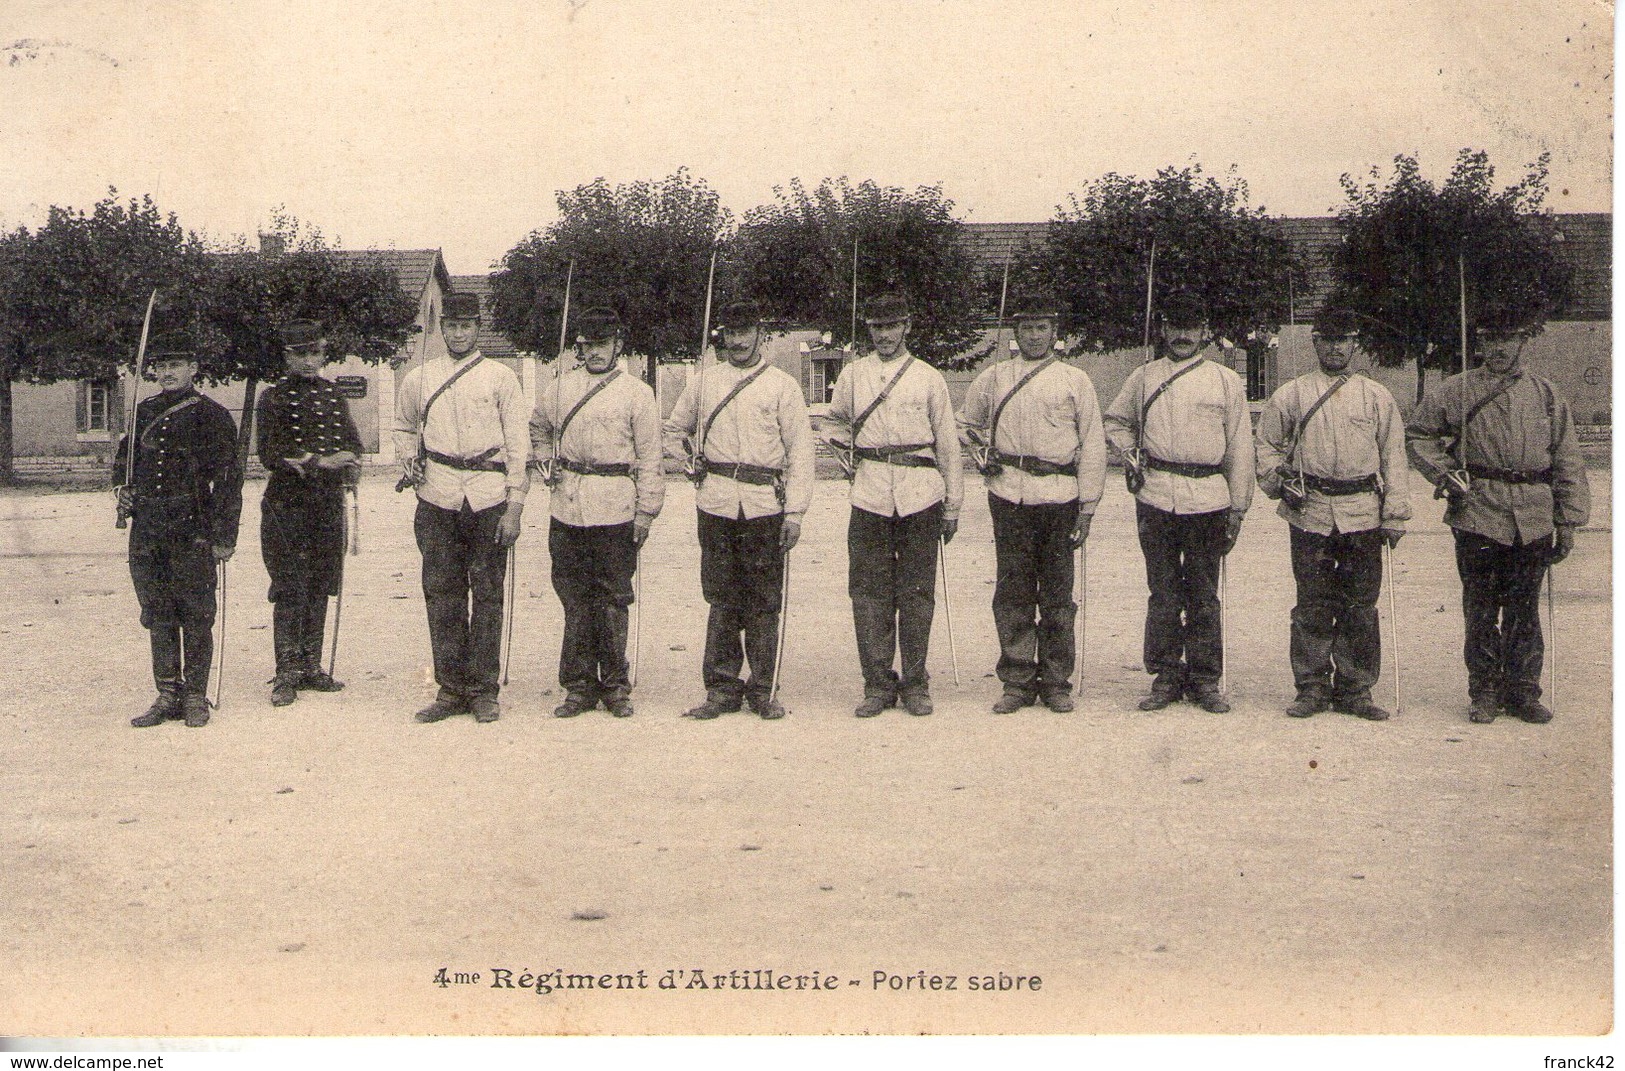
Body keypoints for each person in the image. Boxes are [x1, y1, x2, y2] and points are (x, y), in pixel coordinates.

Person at [1406, 323, 1590, 724]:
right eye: (1490, 339)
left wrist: (1569, 520)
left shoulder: (1545, 394)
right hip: (1479, 512)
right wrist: (1443, 474)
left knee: (1525, 609)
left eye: (1508, 338)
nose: (1499, 348)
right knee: (1482, 608)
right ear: (1479, 344)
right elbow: (1418, 436)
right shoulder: (1456, 390)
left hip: (1534, 515)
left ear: (1522, 342)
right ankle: (1485, 691)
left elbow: (1567, 459)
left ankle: (1524, 691)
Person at [1254, 307, 1410, 721]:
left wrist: (1395, 513)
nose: (1335, 347)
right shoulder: (1292, 394)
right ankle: (1311, 686)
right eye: (1327, 339)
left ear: (1355, 344)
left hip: (1363, 512)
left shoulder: (1376, 396)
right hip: (1311, 510)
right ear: (1315, 343)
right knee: (1312, 603)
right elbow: (1266, 446)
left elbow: (1395, 456)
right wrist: (1278, 481)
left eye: (1343, 339)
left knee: (1361, 604)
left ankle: (1356, 689)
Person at [1103, 289, 1254, 713]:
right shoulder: (1144, 377)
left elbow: (1241, 447)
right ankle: (1166, 675)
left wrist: (1238, 507)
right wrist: (1130, 452)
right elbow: (1116, 420)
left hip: (1208, 497)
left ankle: (1206, 679)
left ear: (1205, 332)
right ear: (1164, 329)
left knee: (1204, 593)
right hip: (1155, 495)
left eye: (1192, 327)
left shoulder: (1226, 381)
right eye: (1175, 326)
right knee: (1163, 592)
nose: (1183, 335)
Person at [665, 299, 814, 721]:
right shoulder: (705, 382)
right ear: (723, 336)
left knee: (764, 600)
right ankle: (721, 688)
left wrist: (796, 513)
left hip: (766, 505)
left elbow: (800, 453)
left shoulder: (782, 386)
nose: (738, 340)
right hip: (715, 502)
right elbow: (674, 429)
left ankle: (763, 689)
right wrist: (688, 460)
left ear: (761, 335)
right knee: (721, 597)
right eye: (731, 332)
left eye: (746, 332)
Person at [958, 293, 1105, 714]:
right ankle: (1018, 679)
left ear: (1055, 333)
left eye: (1042, 327)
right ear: (1015, 333)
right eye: (1026, 327)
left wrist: (1088, 505)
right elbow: (966, 423)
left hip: (1060, 496)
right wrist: (981, 455)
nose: (1034, 335)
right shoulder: (995, 377)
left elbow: (1092, 444)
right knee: (1013, 590)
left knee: (1058, 593)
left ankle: (1057, 680)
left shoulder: (1075, 381)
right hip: (1008, 494)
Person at [394, 291, 530, 724]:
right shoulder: (419, 378)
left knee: (488, 595)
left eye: (466, 325)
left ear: (478, 329)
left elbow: (518, 446)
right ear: (441, 329)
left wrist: (515, 506)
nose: (458, 333)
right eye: (451, 325)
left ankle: (483, 690)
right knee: (442, 594)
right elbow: (402, 425)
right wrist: (409, 459)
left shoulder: (501, 377)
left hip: (488, 497)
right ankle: (450, 690)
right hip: (437, 495)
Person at [825, 292, 963, 718]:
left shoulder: (928, 378)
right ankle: (878, 684)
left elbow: (948, 445)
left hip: (920, 492)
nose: (884, 335)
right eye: (876, 327)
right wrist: (844, 449)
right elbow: (835, 422)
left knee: (917, 593)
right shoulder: (851, 375)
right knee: (868, 593)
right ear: (868, 329)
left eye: (892, 326)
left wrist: (953, 504)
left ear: (907, 327)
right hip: (869, 494)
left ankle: (916, 684)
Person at [531, 307, 664, 719]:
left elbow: (650, 458)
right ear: (579, 346)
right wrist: (543, 458)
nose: (595, 353)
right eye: (587, 345)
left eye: (603, 344)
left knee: (612, 599)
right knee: (573, 598)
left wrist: (646, 511)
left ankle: (616, 686)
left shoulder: (637, 393)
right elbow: (538, 427)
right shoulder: (558, 389)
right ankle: (578, 686)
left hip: (615, 506)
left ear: (618, 346)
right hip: (568, 505)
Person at [114, 336, 242, 728]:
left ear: (194, 368)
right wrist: (123, 489)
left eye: (176, 365)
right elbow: (126, 461)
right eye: (161, 366)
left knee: (197, 613)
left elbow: (228, 481)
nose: (167, 373)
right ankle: (167, 693)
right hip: (149, 528)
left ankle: (195, 697)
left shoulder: (213, 415)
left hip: (193, 526)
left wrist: (223, 537)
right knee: (157, 610)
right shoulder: (144, 411)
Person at [256, 319, 363, 706]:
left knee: (320, 582)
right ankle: (285, 672)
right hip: (287, 504)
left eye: (314, 352)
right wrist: (319, 461)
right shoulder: (273, 398)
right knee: (289, 585)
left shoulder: (334, 396)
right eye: (300, 354)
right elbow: (270, 454)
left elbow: (353, 443)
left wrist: (345, 461)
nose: (308, 361)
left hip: (326, 505)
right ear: (287, 356)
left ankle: (312, 667)